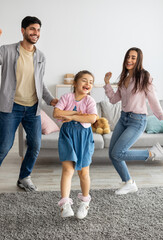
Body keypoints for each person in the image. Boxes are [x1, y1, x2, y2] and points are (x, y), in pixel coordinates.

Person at [0, 16, 58, 200]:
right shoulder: (6, 50)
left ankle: (24, 177)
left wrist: (50, 99)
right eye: (31, 29)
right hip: (11, 107)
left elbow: (40, 83)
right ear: (23, 30)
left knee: (35, 145)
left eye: (38, 30)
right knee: (4, 146)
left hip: (33, 109)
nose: (35, 33)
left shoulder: (41, 56)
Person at [104, 47, 163, 195]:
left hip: (137, 121)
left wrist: (162, 117)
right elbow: (114, 99)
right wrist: (107, 84)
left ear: (139, 60)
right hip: (123, 119)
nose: (129, 60)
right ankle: (129, 183)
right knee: (112, 154)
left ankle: (151, 154)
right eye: (128, 57)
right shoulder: (124, 78)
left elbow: (153, 99)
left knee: (118, 152)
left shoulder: (144, 77)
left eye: (133, 57)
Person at [53, 70, 97, 219]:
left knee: (83, 173)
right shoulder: (67, 97)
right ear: (75, 83)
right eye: (84, 80)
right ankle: (65, 205)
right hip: (67, 136)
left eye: (91, 82)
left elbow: (92, 118)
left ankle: (85, 203)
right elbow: (56, 113)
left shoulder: (89, 101)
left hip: (84, 137)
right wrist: (79, 116)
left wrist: (70, 116)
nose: (88, 84)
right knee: (68, 170)